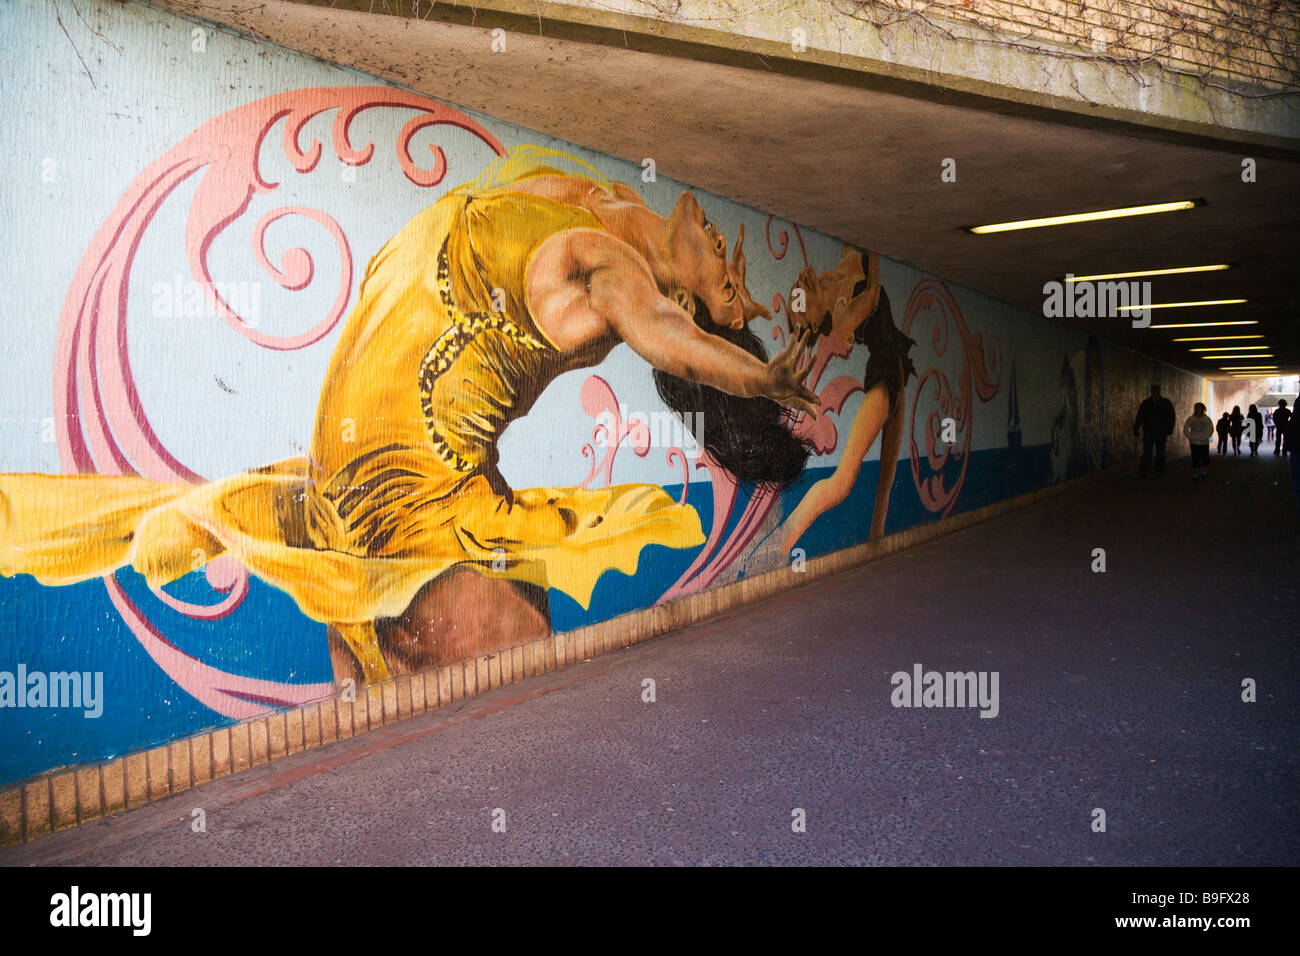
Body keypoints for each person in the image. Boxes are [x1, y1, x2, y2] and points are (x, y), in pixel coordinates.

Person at [0, 146, 820, 684]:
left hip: (394, 489)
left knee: (493, 715)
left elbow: (674, 345)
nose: (734, 261)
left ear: (681, 294)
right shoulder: (587, 196)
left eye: (730, 289)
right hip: (369, 482)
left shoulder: (612, 271)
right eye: (735, 264)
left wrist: (761, 376)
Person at [1133, 384, 1176, 477]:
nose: (1155, 391)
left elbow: (1171, 416)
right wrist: (1136, 427)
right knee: (1147, 451)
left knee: (1160, 452)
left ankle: (1159, 470)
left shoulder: (1166, 403)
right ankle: (1145, 470)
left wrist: (1170, 428)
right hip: (1149, 431)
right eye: (1153, 389)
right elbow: (1140, 416)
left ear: (1159, 390)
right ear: (1151, 390)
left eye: (1156, 389)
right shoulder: (1146, 403)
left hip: (1161, 432)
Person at [1182, 402, 1213, 479]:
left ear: (1203, 409)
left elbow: (1210, 430)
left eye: (1199, 408)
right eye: (1196, 408)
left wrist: (1204, 437)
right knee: (1195, 457)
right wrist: (1190, 437)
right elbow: (1186, 428)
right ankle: (1196, 472)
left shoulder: (1207, 420)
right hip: (1194, 442)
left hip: (1204, 443)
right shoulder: (1191, 419)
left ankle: (1204, 471)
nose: (1197, 410)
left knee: (1204, 457)